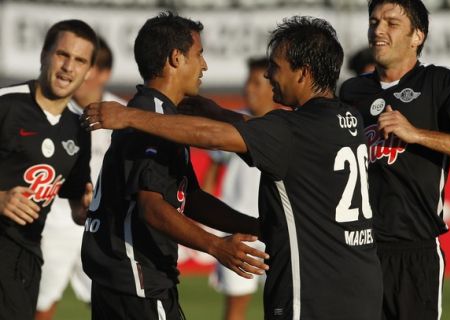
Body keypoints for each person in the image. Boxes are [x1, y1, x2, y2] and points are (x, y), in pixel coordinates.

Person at [83, 16, 383, 320]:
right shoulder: (348, 118)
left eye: (275, 66)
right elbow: (188, 197)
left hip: (313, 292)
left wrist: (129, 116)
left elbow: (212, 137)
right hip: (362, 282)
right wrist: (254, 227)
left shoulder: (152, 118)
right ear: (176, 58)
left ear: (303, 74)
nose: (268, 74)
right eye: (200, 54)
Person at [80, 12, 268, 320]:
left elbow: (189, 197)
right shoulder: (152, 117)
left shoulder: (158, 114)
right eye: (200, 55)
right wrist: (216, 246)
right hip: (137, 279)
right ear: (176, 58)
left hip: (127, 278)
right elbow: (151, 206)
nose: (204, 65)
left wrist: (254, 226)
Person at [339, 0, 450, 319]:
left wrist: (417, 134)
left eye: (391, 23)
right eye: (374, 22)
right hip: (357, 249)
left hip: (413, 252)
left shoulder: (441, 84)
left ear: (418, 35)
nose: (378, 30)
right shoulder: (351, 91)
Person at [0, 19, 97, 320]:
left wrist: (83, 209)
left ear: (88, 72)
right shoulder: (6, 105)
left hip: (24, 261)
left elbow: (73, 198)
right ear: (44, 54)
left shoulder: (79, 128)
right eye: (62, 54)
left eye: (79, 60)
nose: (69, 66)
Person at [35, 37, 125, 320]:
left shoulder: (124, 115)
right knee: (40, 304)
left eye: (91, 65)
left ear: (105, 72)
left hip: (103, 226)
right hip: (55, 223)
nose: (83, 74)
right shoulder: (52, 112)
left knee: (109, 306)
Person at [206, 57, 274, 320]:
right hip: (237, 231)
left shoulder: (285, 127)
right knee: (236, 309)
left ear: (272, 87)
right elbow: (211, 175)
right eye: (248, 82)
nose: (250, 89)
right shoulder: (231, 127)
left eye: (257, 83)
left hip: (275, 231)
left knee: (284, 306)